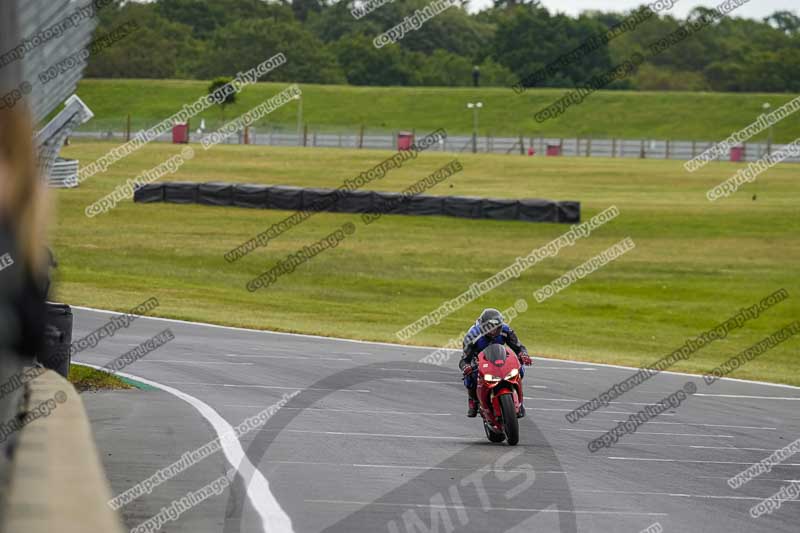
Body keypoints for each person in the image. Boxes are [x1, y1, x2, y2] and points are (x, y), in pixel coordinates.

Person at [459, 308, 532, 417]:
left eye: (496, 328)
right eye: (490, 328)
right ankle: (473, 400)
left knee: (519, 369)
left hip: (499, 356)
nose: (493, 331)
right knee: (470, 376)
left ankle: (519, 400)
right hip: (479, 360)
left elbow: (519, 347)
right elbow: (464, 359)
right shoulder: (472, 336)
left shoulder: (506, 330)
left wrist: (523, 354)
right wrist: (466, 366)